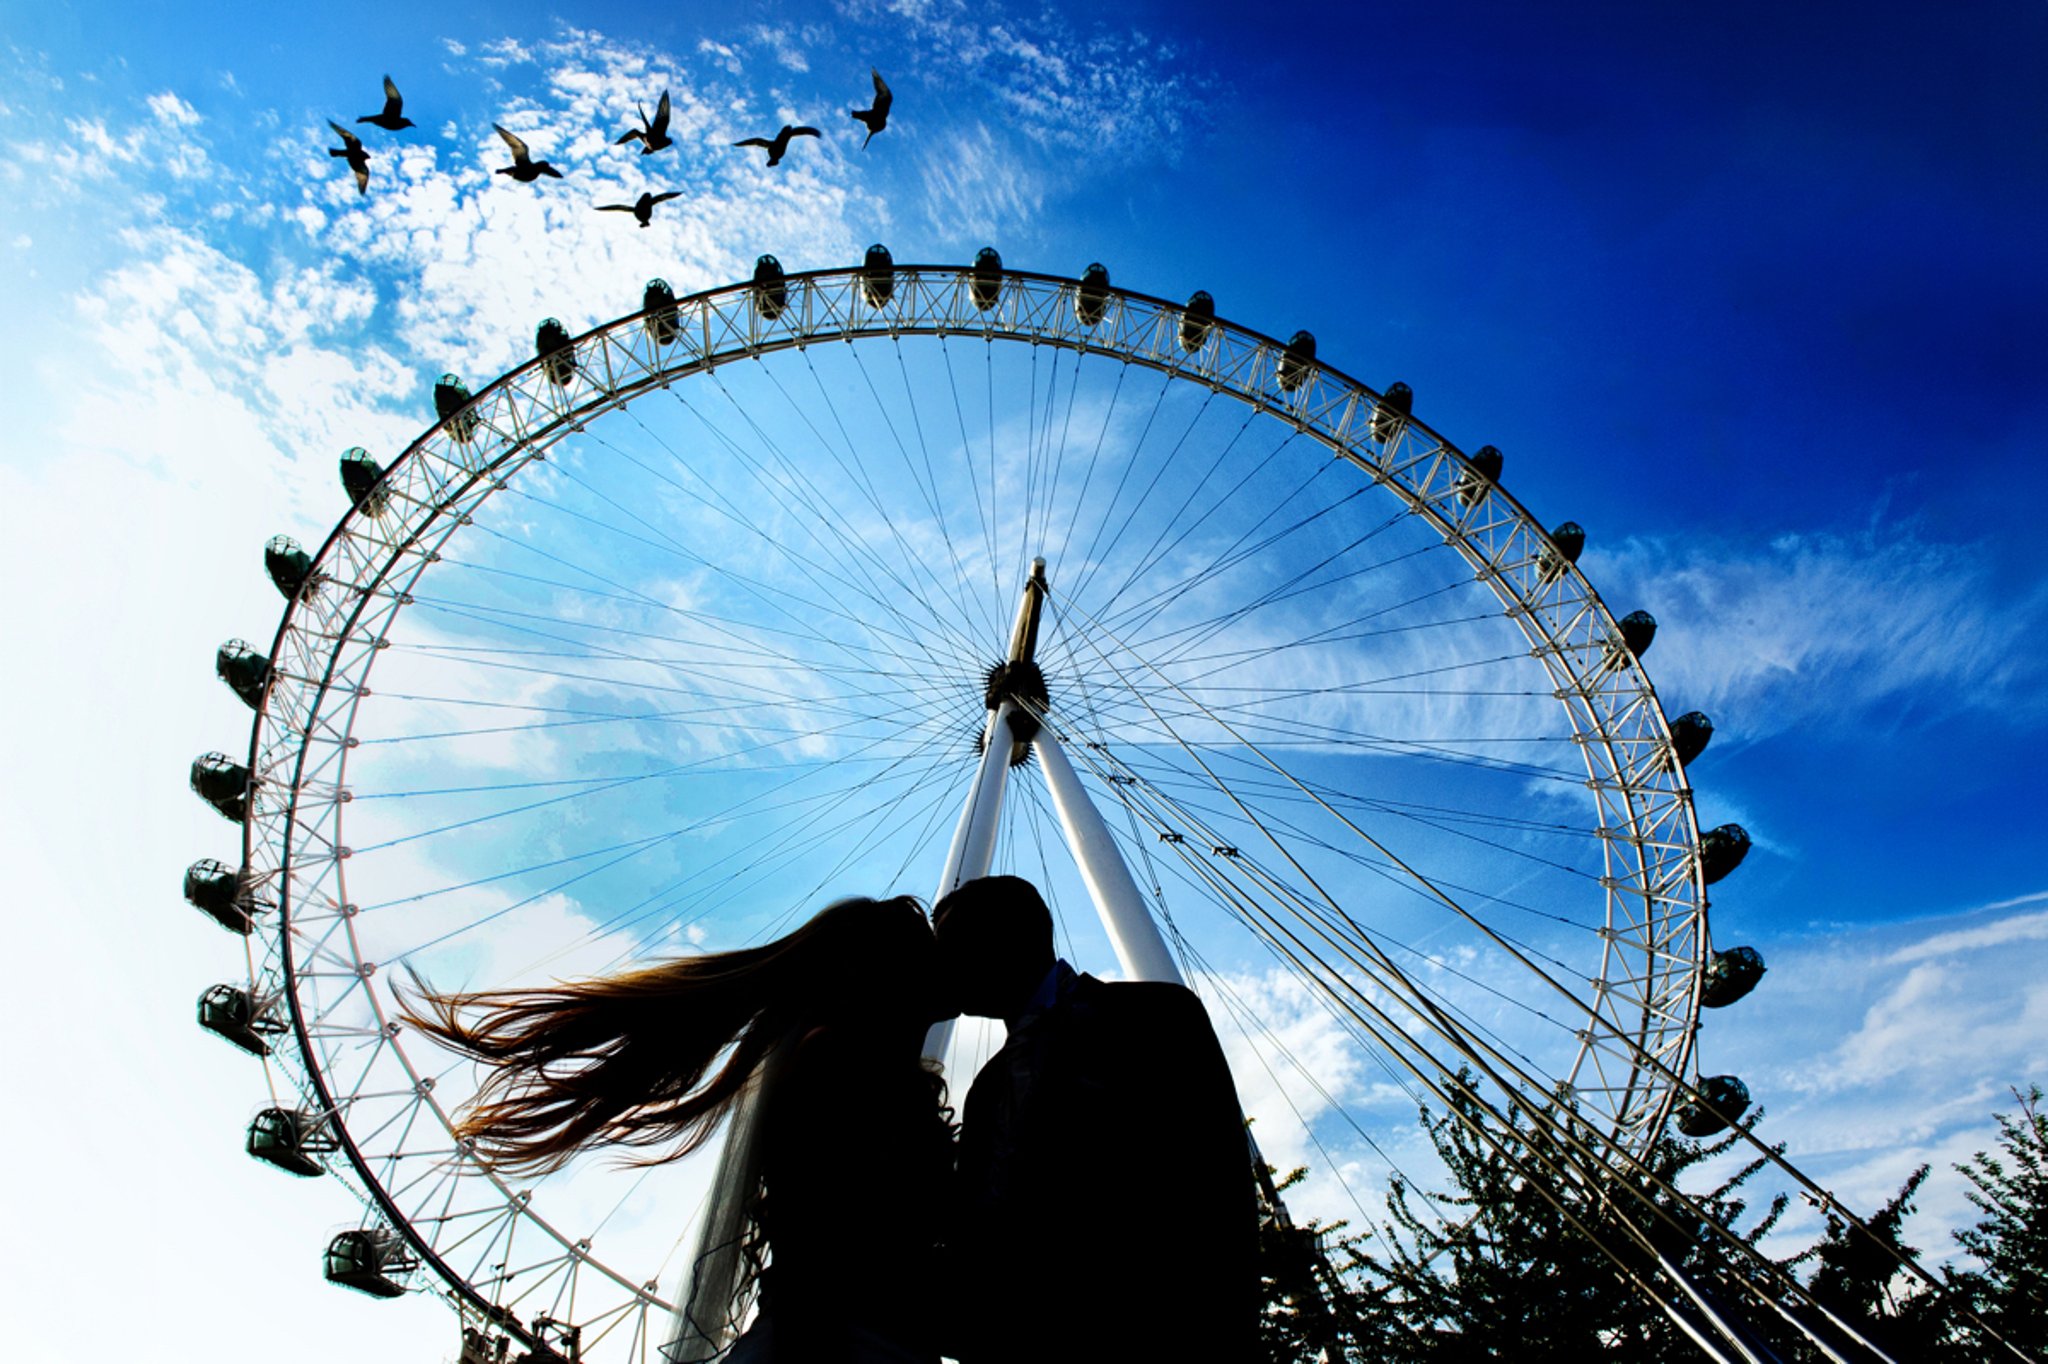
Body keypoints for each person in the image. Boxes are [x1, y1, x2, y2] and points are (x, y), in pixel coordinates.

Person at [402, 896, 957, 1364]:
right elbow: (833, 1225)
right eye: (930, 949)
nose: (948, 959)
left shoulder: (852, 1060)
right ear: (892, 974)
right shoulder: (842, 1060)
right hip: (835, 1343)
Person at [933, 875, 1260, 1362]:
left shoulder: (1158, 1018)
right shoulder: (986, 1088)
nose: (943, 964)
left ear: (1010, 937)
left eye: (955, 944)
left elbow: (1220, 1186)